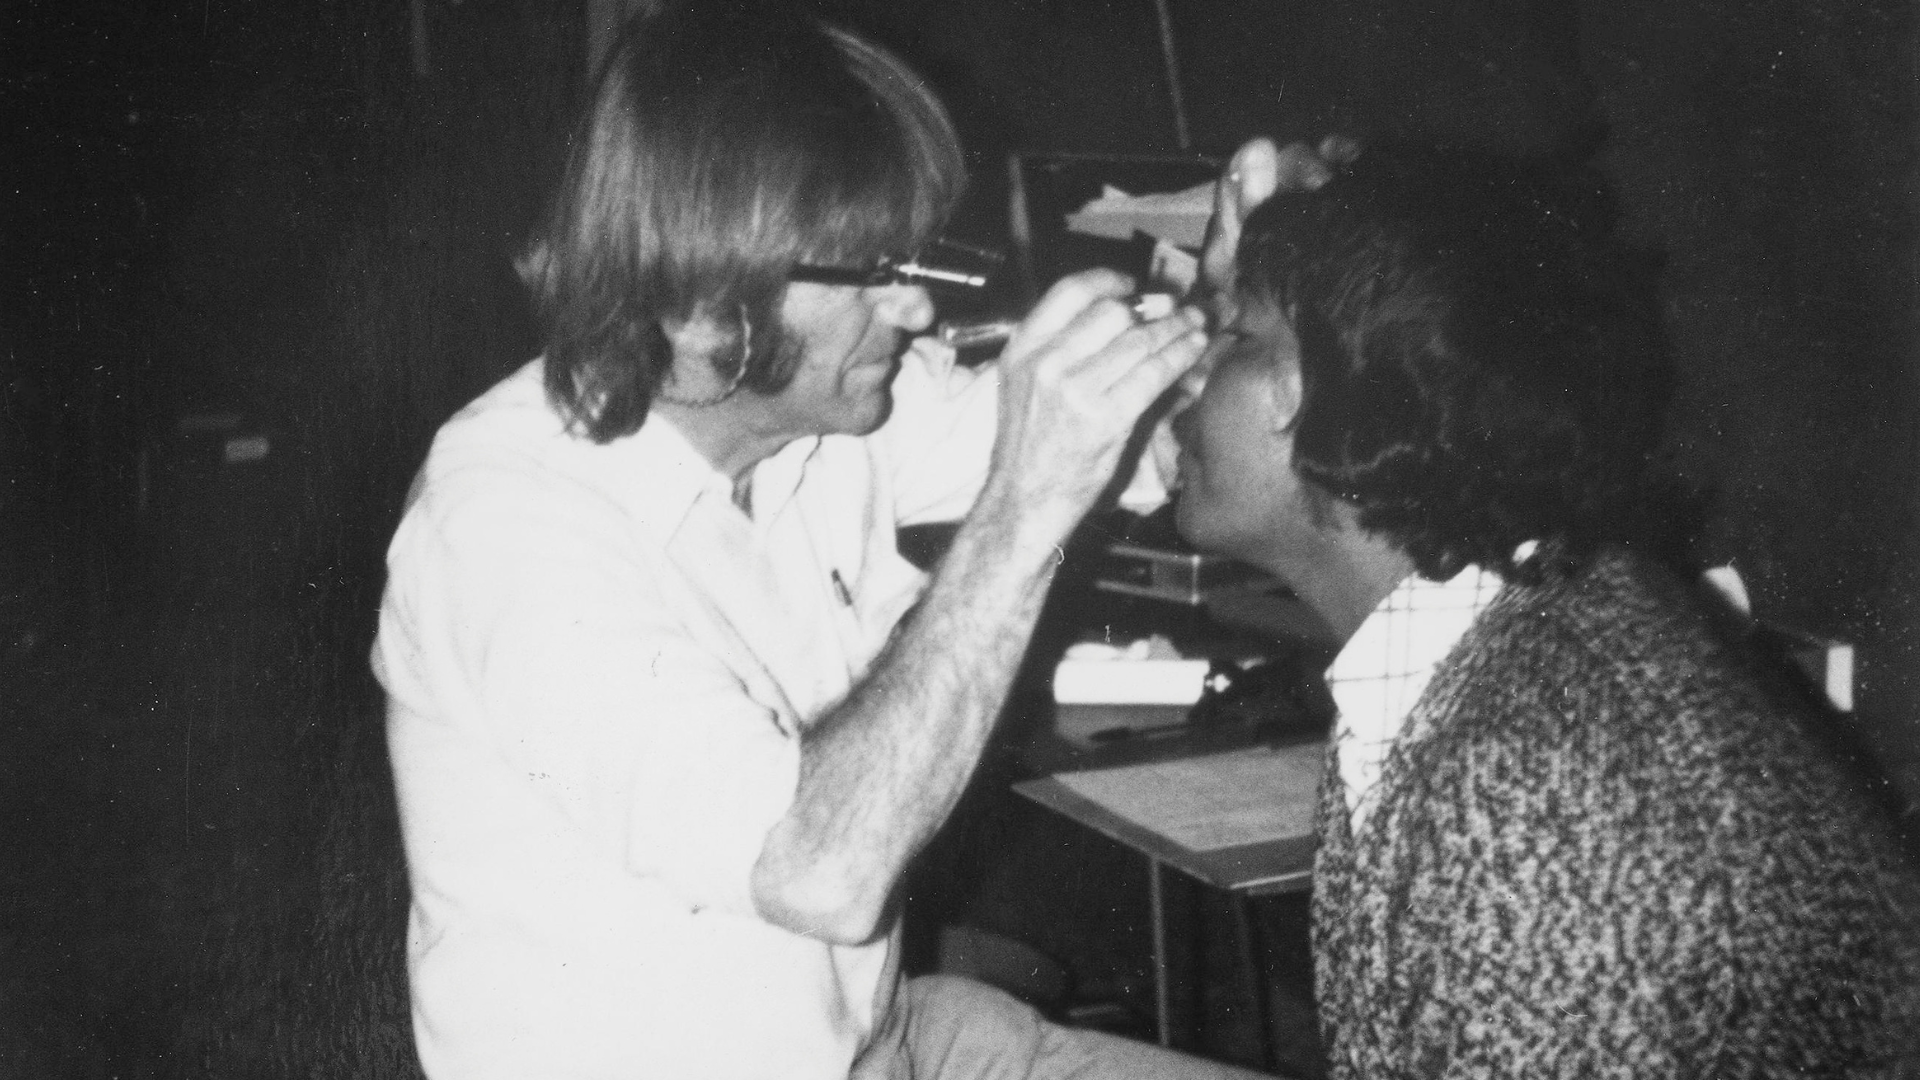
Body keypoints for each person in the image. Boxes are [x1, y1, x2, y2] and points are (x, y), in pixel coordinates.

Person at [370, 4, 1280, 1078]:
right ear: (708, 296)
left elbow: (1151, 446)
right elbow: (822, 877)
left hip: (877, 1046)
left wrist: (1224, 295)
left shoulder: (831, 410)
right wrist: (1021, 513)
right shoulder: (506, 524)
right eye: (872, 271)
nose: (918, 312)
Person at [1174, 139, 1920, 1076]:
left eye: (1234, 335)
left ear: (1352, 396)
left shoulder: (1541, 786)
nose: (1186, 375)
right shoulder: (1489, 639)